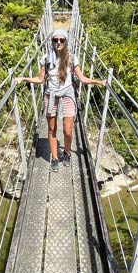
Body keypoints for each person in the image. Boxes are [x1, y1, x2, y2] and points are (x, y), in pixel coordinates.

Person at [17, 28, 106, 172]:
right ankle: (55, 157)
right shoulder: (46, 58)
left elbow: (82, 78)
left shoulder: (72, 58)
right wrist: (24, 78)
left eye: (61, 40)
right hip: (50, 95)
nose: (58, 42)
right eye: (55, 40)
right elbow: (40, 79)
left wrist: (99, 82)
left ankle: (66, 152)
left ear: (65, 42)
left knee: (68, 131)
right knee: (52, 129)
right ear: (52, 42)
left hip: (67, 95)